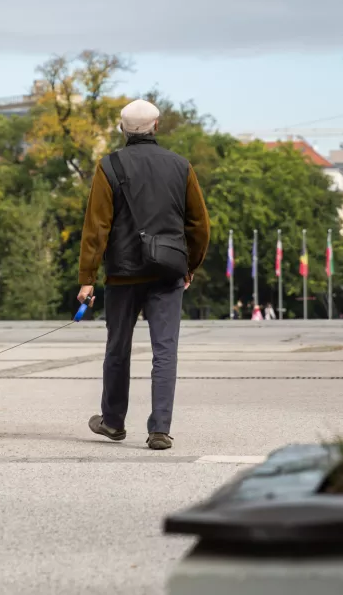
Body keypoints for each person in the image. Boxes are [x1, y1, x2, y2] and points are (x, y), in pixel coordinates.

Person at [77, 99, 210, 451]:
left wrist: (87, 277)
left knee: (118, 348)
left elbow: (96, 226)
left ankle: (113, 422)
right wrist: (190, 265)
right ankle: (160, 429)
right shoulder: (181, 166)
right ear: (157, 126)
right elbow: (199, 224)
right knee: (165, 350)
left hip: (123, 275)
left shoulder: (109, 166)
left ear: (123, 129)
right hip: (167, 272)